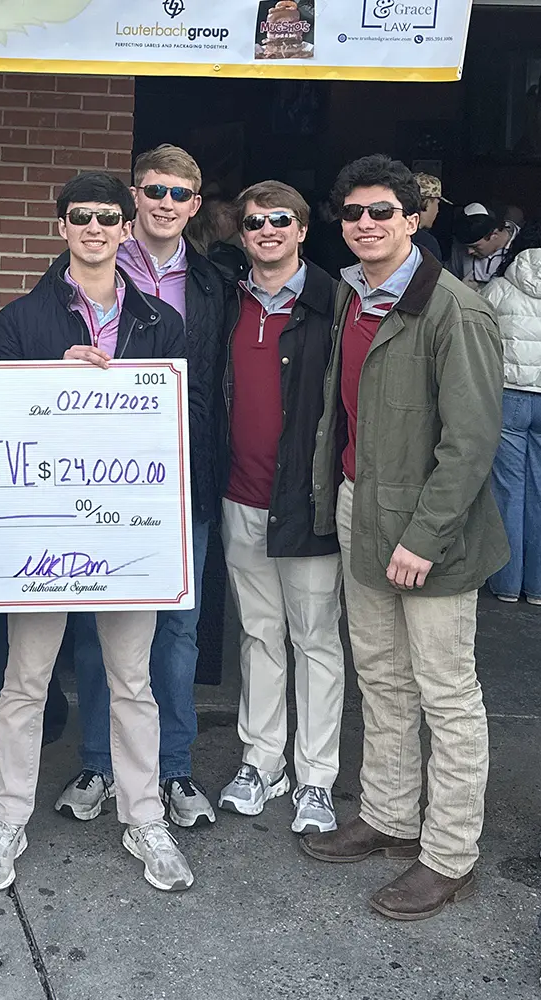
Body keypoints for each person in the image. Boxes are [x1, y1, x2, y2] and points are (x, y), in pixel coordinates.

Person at [0, 171, 194, 894]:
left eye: (107, 217)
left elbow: (174, 430)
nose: (95, 228)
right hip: (43, 535)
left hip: (126, 536)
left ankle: (145, 817)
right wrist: (43, 372)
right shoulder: (20, 320)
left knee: (133, 683)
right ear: (60, 227)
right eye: (80, 217)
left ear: (127, 228)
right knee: (25, 681)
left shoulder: (163, 322)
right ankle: (7, 819)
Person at [304, 154, 507, 921]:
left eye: (382, 212)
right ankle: (390, 817)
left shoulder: (454, 309)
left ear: (414, 218)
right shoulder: (356, 296)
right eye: (354, 213)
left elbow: (471, 440)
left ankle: (450, 853)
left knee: (447, 693)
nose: (366, 224)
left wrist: (424, 536)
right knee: (382, 679)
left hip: (432, 529)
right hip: (364, 508)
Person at [57, 144, 223, 830]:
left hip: (183, 478)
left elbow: (214, 386)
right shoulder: (73, 276)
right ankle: (98, 762)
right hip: (97, 487)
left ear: (195, 203)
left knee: (177, 633)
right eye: (153, 190)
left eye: (179, 193)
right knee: (100, 635)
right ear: (134, 202)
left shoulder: (215, 284)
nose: (165, 203)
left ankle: (174, 769)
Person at [213, 181, 345, 835]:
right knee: (260, 635)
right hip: (240, 495)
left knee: (315, 639)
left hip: (308, 501)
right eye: (255, 222)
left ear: (301, 230)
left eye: (281, 220)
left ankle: (316, 777)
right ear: (242, 235)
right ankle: (262, 762)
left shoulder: (335, 303)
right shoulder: (225, 302)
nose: (267, 230)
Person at [482, 222, 541, 603]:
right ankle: (537, 587)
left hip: (510, 396)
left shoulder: (499, 288)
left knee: (507, 489)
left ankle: (505, 583)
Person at [450, 202, 517, 290]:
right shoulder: (459, 247)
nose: (469, 251)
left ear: (494, 235)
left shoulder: (523, 247)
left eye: (475, 246)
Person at [412, 172, 448, 262]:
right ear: (426, 202)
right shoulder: (427, 243)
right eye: (437, 204)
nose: (437, 210)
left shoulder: (395, 234)